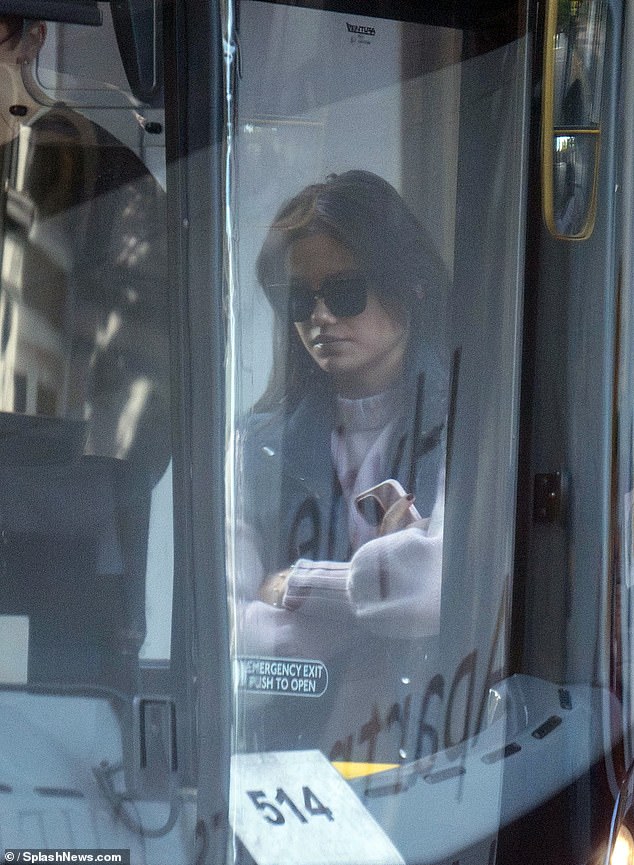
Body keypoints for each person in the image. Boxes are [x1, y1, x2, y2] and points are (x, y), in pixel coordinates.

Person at [235, 171, 449, 762]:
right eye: (300, 300)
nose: (319, 317)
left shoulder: (470, 422)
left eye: (345, 293)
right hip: (287, 761)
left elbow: (430, 587)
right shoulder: (253, 444)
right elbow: (226, 628)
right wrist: (377, 600)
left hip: (438, 750)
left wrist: (292, 586)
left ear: (407, 289)